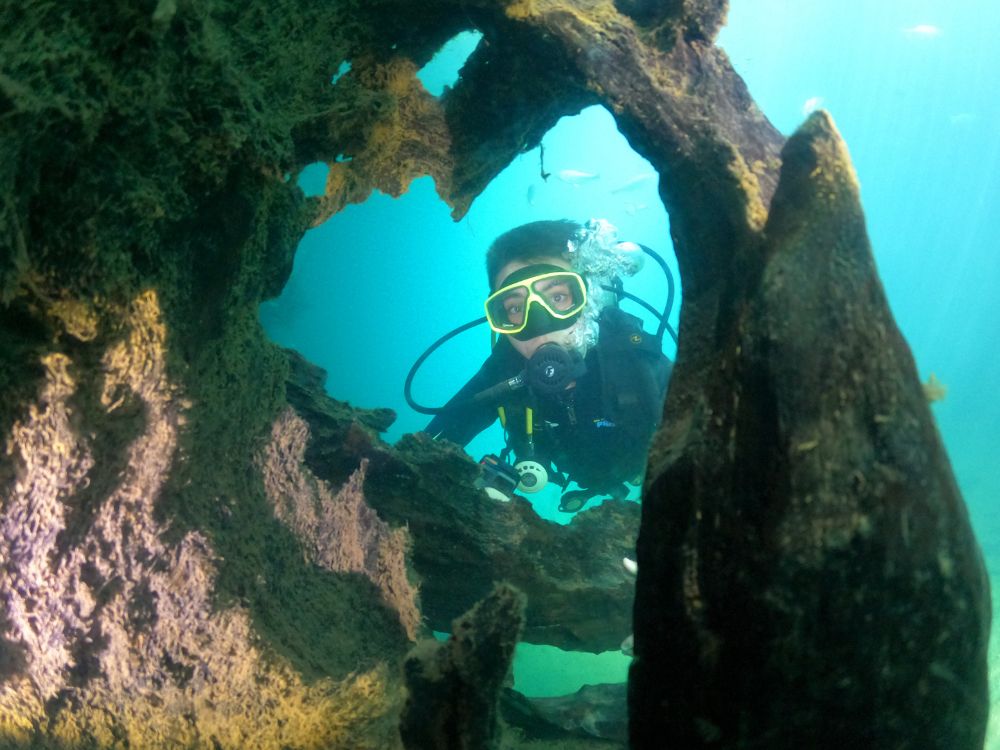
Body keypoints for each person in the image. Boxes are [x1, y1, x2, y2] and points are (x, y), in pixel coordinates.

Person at [422, 219, 673, 512]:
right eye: (516, 308)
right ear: (500, 318)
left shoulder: (633, 360)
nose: (540, 327)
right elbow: (431, 449)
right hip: (573, 472)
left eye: (558, 297)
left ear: (588, 298)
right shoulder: (503, 373)